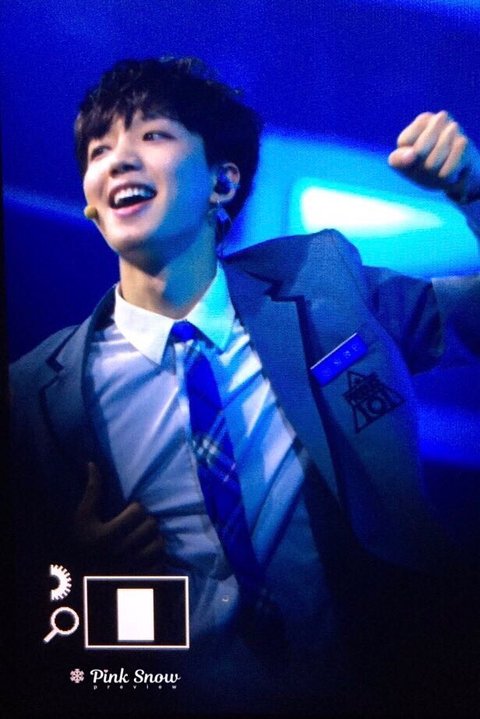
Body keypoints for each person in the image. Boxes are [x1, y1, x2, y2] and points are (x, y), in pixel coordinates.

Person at [9, 57, 480, 717]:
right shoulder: (33, 394)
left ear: (222, 181)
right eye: (98, 151)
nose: (119, 160)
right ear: (91, 204)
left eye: (152, 135)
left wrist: (473, 190)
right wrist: (63, 574)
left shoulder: (326, 286)